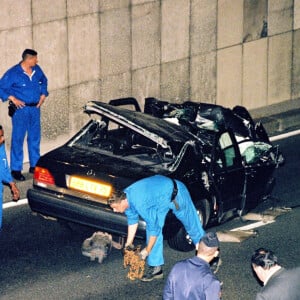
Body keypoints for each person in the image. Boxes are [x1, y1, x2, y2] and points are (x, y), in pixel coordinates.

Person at [107, 174, 205, 282]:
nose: (114, 211)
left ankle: (210, 256)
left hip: (176, 193)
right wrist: (128, 244)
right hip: (158, 199)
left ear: (122, 201)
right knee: (152, 230)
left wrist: (146, 251)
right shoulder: (125, 196)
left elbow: (154, 228)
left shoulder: (140, 203)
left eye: (115, 208)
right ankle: (156, 268)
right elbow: (132, 220)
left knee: (192, 226)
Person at [0, 49, 48, 181]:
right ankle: (16, 169)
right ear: (28, 59)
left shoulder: (37, 70)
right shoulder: (13, 73)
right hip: (21, 110)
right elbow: (1, 87)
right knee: (18, 138)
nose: (37, 61)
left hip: (35, 109)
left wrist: (43, 94)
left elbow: (44, 81)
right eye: (35, 59)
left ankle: (35, 165)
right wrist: (12, 98)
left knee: (34, 138)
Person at [163, 232, 222, 300]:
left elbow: (167, 295)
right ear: (216, 253)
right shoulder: (212, 281)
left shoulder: (177, 267)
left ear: (197, 246)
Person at [0, 125, 20, 229]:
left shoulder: (0, 145)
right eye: (0, 137)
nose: (3, 139)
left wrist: (12, 184)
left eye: (2, 135)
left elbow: (3, 165)